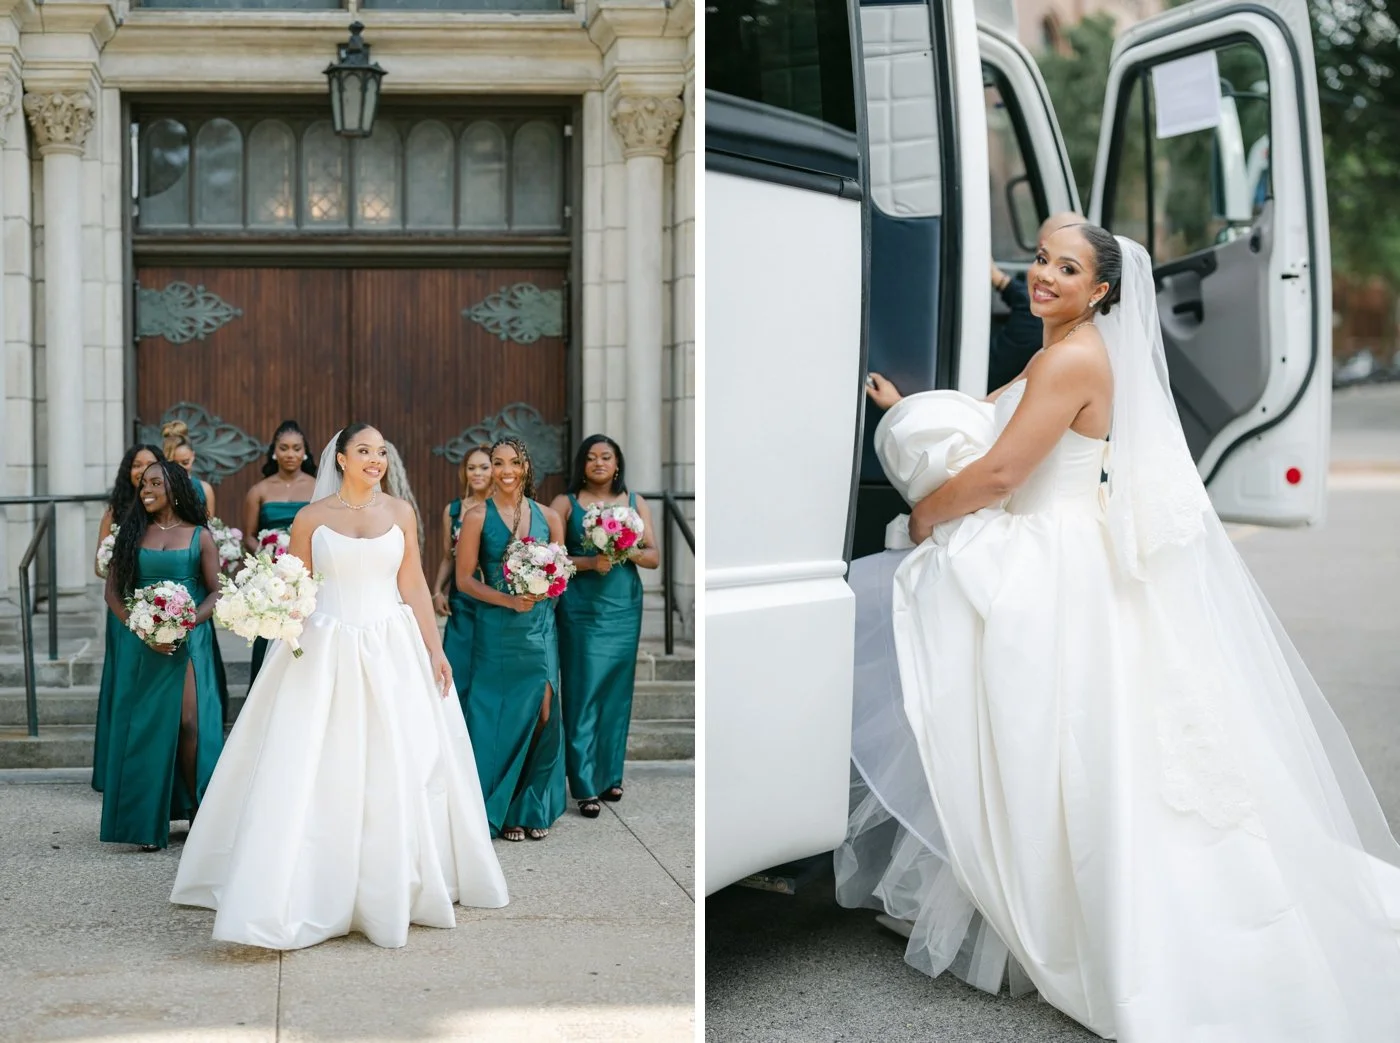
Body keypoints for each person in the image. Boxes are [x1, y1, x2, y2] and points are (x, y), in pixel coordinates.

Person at [846, 224, 1400, 1040]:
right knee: (1044, 740)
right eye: (1039, 258)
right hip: (1057, 547)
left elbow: (1003, 472)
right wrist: (907, 410)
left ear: (1101, 289)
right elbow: (994, 421)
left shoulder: (1072, 358)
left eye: (1064, 267)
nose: (1042, 274)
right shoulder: (1067, 346)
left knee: (1042, 733)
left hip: (1049, 553)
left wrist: (924, 513)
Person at [170, 423, 508, 950]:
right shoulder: (309, 518)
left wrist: (433, 648)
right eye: (365, 451)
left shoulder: (400, 512)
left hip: (390, 644)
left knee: (401, 761)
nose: (376, 459)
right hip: (323, 645)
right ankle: (307, 884)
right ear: (342, 459)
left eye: (381, 451)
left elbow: (413, 581)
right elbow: (295, 584)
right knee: (314, 763)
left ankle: (394, 880)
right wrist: (266, 608)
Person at [100, 460, 224, 851]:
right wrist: (144, 630)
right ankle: (146, 823)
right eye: (144, 484)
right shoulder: (132, 534)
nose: (147, 489)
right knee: (151, 728)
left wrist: (185, 623)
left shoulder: (199, 535)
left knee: (189, 722)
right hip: (145, 644)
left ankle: (197, 812)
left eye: (156, 482)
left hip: (188, 642)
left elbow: (216, 591)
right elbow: (113, 594)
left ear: (176, 488)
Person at [455, 438, 567, 842]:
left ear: (525, 467)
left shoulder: (550, 517)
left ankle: (530, 802)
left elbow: (561, 572)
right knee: (499, 716)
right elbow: (464, 580)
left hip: (538, 628)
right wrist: (507, 598)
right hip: (497, 628)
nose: (504, 470)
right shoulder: (475, 517)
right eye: (497, 463)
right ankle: (503, 809)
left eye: (512, 462)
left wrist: (543, 591)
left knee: (542, 711)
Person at [550, 435, 659, 816]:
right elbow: (555, 557)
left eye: (606, 457)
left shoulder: (635, 502)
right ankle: (583, 785)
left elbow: (653, 557)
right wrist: (588, 563)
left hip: (623, 605)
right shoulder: (565, 504)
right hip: (581, 609)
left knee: (616, 693)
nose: (599, 463)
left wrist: (623, 549)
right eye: (591, 457)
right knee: (583, 691)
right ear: (581, 464)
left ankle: (611, 775)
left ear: (617, 464)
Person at [91, 443, 165, 793]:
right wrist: (116, 560)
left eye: (150, 466)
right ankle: (114, 771)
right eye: (136, 465)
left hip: (162, 609)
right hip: (124, 606)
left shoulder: (164, 510)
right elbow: (97, 566)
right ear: (128, 471)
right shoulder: (115, 511)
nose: (142, 471)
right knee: (123, 685)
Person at [242, 421, 318, 686]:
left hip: (307, 575)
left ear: (305, 452)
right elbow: (249, 536)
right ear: (274, 452)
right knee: (270, 630)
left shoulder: (317, 488)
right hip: (271, 577)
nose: (290, 454)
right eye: (283, 448)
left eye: (296, 448)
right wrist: (267, 555)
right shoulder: (259, 491)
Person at [986, 211, 1083, 392]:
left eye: (1068, 269)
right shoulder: (1040, 356)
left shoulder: (1074, 357)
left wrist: (997, 278)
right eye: (1042, 260)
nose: (1046, 277)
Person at [433, 445, 493, 710]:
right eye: (471, 468)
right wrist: (438, 591)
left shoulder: (500, 509)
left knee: (488, 669)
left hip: (493, 598)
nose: (477, 473)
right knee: (458, 667)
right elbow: (448, 556)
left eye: (484, 467)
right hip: (462, 599)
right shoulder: (453, 510)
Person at [162, 421, 216, 519]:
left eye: (185, 462)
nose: (180, 469)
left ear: (193, 456)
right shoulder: (160, 489)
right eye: (175, 464)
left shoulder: (205, 489)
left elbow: (210, 526)